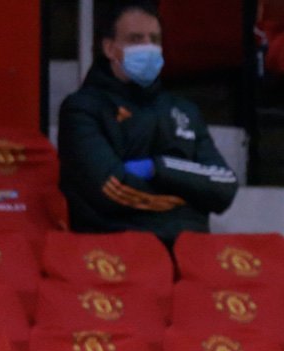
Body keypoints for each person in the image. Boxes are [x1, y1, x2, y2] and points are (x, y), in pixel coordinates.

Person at [57, 0, 238, 248]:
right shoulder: (82, 109)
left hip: (188, 254)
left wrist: (157, 168)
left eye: (154, 39)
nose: (148, 47)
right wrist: (189, 196)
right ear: (110, 48)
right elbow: (111, 189)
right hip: (117, 254)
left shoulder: (184, 110)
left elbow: (225, 185)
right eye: (135, 39)